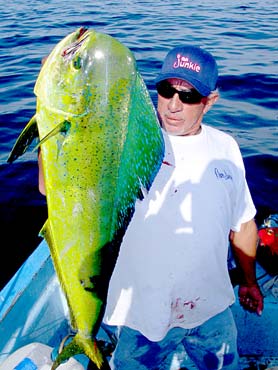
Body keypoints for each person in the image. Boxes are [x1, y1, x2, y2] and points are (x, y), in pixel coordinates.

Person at [39, 45, 264, 370]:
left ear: (209, 101)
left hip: (212, 307)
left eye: (188, 96)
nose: (173, 105)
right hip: (142, 317)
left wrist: (250, 281)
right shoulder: (128, 142)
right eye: (165, 90)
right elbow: (53, 188)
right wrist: (53, 106)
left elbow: (242, 223)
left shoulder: (225, 147)